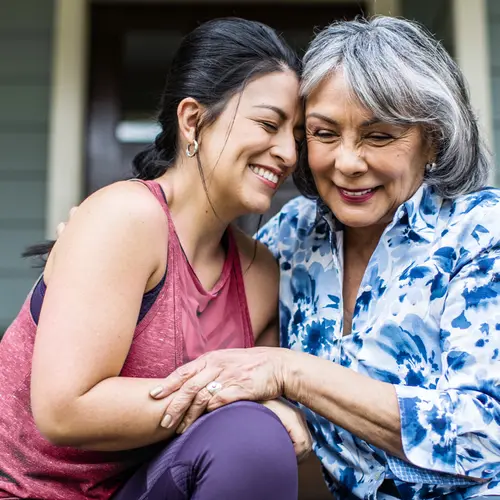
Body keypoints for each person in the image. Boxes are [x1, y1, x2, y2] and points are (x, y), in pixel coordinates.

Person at [148, 17, 500, 499]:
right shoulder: (292, 233)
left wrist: (291, 372)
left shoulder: (481, 231)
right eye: (324, 133)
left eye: (379, 137)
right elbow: (199, 304)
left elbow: (485, 435)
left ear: (432, 139)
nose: (348, 162)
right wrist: (107, 240)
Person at [0, 18, 310, 500]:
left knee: (253, 439)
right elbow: (63, 409)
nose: (289, 152)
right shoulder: (127, 218)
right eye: (269, 124)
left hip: (143, 489)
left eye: (298, 133)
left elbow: (260, 430)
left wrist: (266, 410)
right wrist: (226, 398)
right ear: (192, 120)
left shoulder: (260, 274)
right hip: (29, 493)